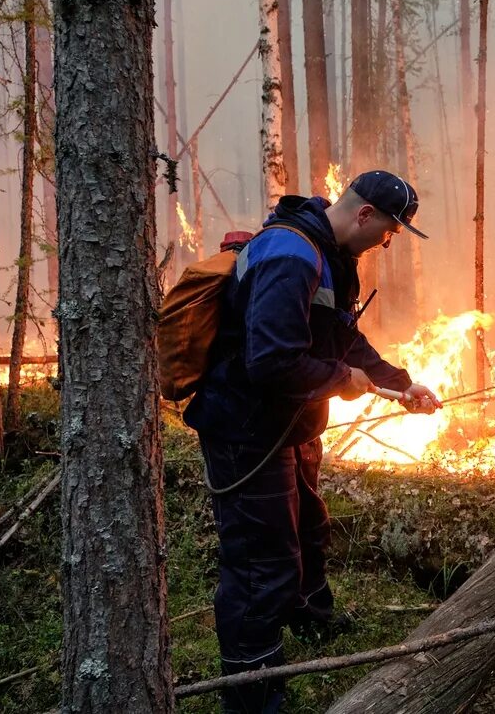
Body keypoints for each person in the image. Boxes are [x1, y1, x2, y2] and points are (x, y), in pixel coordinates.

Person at [184, 170, 442, 713]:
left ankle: (310, 620)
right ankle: (253, 694)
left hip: (291, 425)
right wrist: (341, 382)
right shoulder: (290, 257)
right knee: (261, 565)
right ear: (364, 214)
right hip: (248, 432)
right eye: (390, 230)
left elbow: (341, 335)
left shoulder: (330, 255)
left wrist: (398, 381)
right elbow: (271, 361)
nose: (388, 242)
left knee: (307, 527)